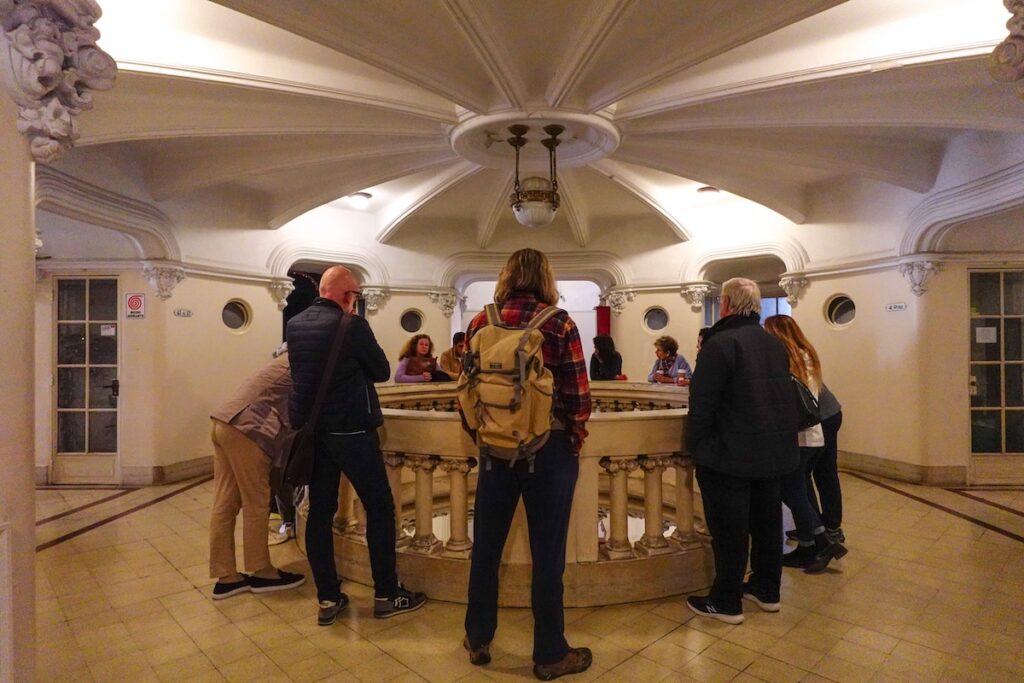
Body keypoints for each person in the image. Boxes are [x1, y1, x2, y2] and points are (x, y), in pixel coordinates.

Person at [462, 248, 593, 681]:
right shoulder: (558, 322)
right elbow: (577, 395)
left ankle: (478, 638)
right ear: (545, 278)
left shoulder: (482, 321)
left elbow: (467, 391)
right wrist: (572, 437)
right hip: (548, 450)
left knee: (486, 548)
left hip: (495, 451)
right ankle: (550, 654)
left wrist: (484, 436)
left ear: (506, 276)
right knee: (548, 554)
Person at [287, 265, 426, 626]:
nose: (357, 301)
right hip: (351, 431)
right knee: (379, 508)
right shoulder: (352, 325)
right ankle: (385, 594)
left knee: (320, 511)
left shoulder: (296, 324)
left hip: (314, 434)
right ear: (346, 295)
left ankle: (328, 598)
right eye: (356, 295)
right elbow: (380, 369)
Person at [685, 277, 800, 624]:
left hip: (730, 455)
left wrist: (699, 448)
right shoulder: (773, 343)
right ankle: (767, 590)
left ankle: (726, 601)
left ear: (726, 304)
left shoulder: (721, 344)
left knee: (730, 529)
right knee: (767, 523)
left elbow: (702, 404)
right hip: (773, 452)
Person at [209, 350, 305, 599]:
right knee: (257, 502)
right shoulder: (304, 363)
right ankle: (262, 571)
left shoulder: (284, 360)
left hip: (224, 422)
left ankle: (226, 576)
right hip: (249, 429)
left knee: (225, 503)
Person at [763, 315, 847, 573]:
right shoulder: (804, 352)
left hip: (805, 430)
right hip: (816, 426)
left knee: (795, 487)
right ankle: (812, 542)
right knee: (803, 483)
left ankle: (821, 538)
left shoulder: (786, 359)